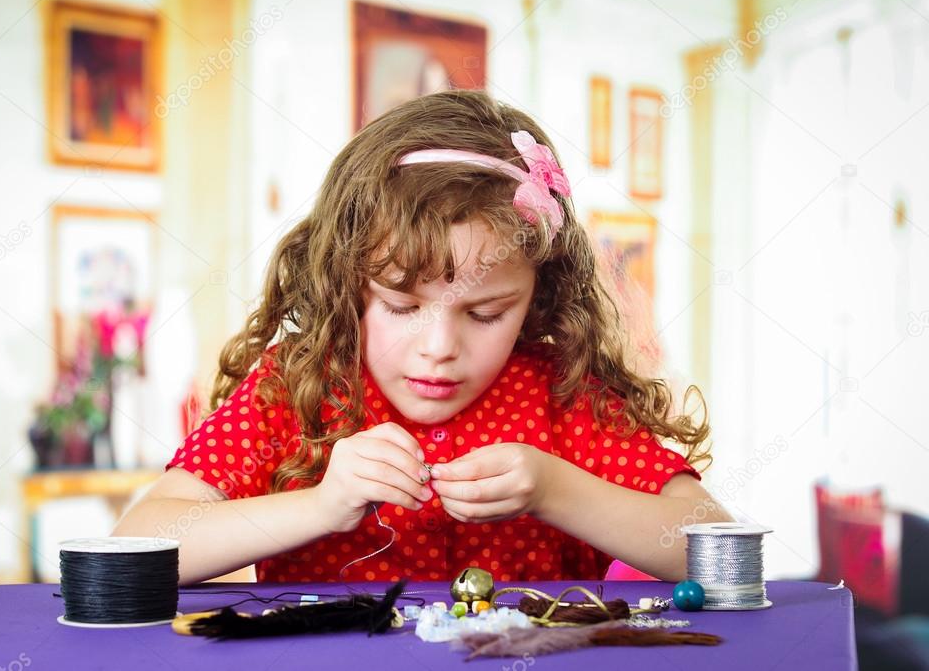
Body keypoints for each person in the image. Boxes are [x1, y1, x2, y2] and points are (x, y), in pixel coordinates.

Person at [113, 89, 732, 585]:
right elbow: (136, 546)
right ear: (345, 283)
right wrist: (320, 507)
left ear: (539, 297)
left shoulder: (564, 393)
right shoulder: (298, 388)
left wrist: (557, 490)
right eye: (400, 304)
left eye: (486, 313)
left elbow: (713, 547)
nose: (439, 346)